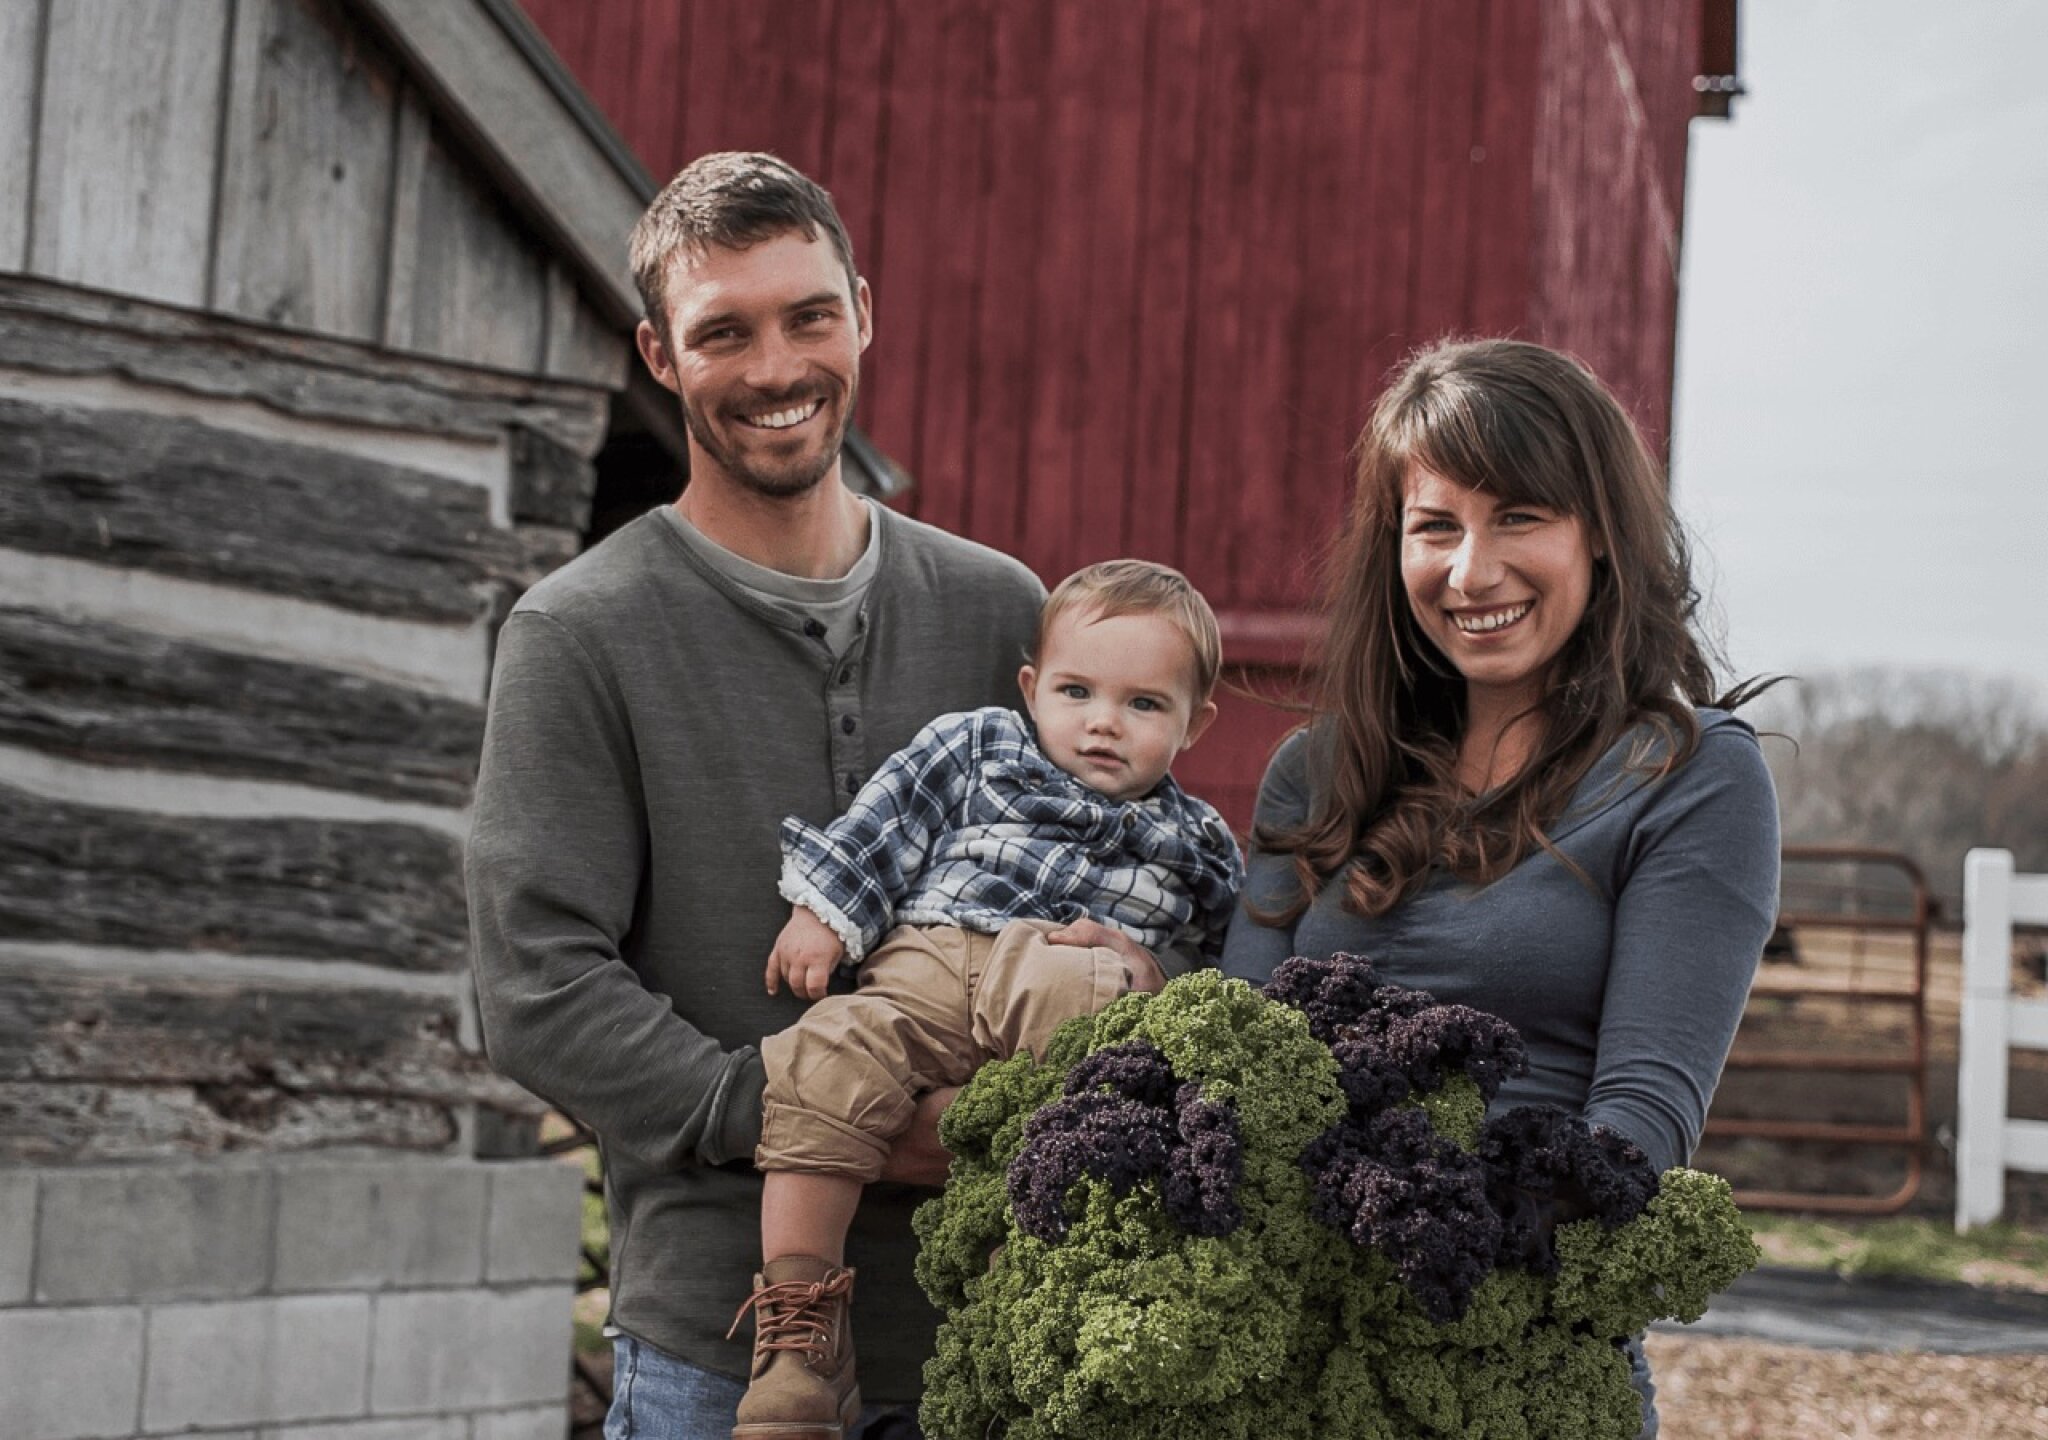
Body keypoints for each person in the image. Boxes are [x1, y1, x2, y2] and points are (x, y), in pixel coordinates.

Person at [465, 152, 1045, 1440]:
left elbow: (1106, 856)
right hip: (716, 1359)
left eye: (808, 316)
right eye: (723, 332)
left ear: (864, 312)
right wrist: (797, 1115)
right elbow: (536, 988)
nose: (777, 368)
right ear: (660, 358)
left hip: (996, 1341)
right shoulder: (578, 632)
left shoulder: (1002, 611)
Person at [1218, 337, 1780, 1438]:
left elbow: (1641, 1125)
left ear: (1601, 534)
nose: (1470, 571)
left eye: (1518, 515)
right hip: (1284, 1357)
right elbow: (1232, 1058)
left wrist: (1414, 1237)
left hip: (1511, 1361)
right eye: (1434, 526)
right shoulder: (1319, 772)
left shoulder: (1691, 774)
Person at [731, 560, 1243, 1435]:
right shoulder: (976, 745)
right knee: (825, 1056)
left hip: (1059, 975)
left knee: (1094, 1021)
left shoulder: (1196, 840)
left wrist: (1161, 979)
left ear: (1196, 723)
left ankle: (1034, 1269)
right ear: (1032, 686)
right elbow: (884, 824)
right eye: (1077, 691)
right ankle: (800, 1322)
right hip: (925, 965)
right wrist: (824, 912)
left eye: (1143, 705)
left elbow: (1223, 966)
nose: (1102, 723)